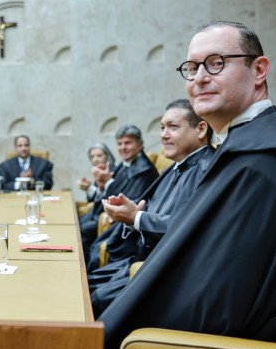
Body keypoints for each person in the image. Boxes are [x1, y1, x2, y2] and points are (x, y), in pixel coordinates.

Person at [98, 20, 276, 349]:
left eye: (216, 63)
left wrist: (115, 325)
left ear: (259, 70)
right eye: (191, 67)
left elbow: (218, 301)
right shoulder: (249, 146)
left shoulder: (264, 161)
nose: (199, 77)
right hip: (257, 337)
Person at [88, 99, 214, 313]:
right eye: (162, 127)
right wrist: (130, 214)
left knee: (94, 297)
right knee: (83, 283)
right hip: (139, 260)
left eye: (173, 127)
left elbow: (186, 227)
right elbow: (148, 210)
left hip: (163, 273)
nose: (164, 135)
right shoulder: (175, 167)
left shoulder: (206, 170)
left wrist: (135, 218)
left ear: (201, 129)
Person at [78, 125, 158, 254]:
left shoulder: (143, 170)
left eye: (127, 143)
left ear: (140, 144)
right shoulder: (126, 163)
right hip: (108, 215)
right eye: (119, 144)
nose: (123, 148)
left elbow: (129, 199)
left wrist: (107, 181)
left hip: (127, 225)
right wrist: (103, 184)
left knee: (90, 241)